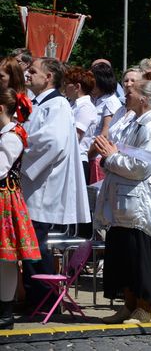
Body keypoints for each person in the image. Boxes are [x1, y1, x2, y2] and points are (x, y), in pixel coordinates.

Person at [94, 80, 151, 324]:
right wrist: (111, 156)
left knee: (137, 256)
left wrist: (111, 157)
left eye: (130, 93)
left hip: (138, 201)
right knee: (121, 255)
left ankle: (145, 308)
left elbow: (141, 167)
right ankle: (129, 304)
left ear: (143, 99)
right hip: (122, 200)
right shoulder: (133, 123)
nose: (125, 96)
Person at [21, 57, 90, 311]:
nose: (28, 75)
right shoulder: (39, 104)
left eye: (33, 71)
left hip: (42, 185)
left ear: (48, 77)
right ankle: (34, 298)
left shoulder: (58, 105)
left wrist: (19, 147)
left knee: (35, 245)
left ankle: (44, 300)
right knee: (30, 245)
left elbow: (52, 142)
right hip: (33, 183)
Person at [0, 88, 39, 330]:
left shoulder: (12, 136)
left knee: (6, 258)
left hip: (4, 199)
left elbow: (1, 168)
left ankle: (5, 310)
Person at [64, 67, 98, 183]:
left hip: (77, 161)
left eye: (67, 83)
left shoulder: (86, 107)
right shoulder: (72, 104)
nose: (64, 86)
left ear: (77, 87)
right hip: (69, 160)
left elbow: (75, 136)